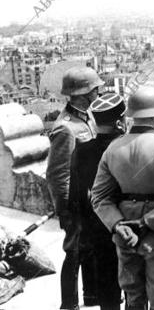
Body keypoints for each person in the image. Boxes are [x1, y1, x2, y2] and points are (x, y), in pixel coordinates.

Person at [71, 93, 154, 310]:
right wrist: (145, 223)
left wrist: (118, 225)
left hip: (125, 235)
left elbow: (99, 197)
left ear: (131, 118)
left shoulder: (113, 149)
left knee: (134, 296)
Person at [46, 66, 104, 310]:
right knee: (74, 253)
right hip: (74, 204)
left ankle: (91, 295)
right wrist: (66, 210)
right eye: (95, 89)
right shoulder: (65, 128)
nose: (99, 92)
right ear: (83, 93)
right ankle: (69, 304)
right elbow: (57, 174)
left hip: (88, 199)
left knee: (89, 249)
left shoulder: (87, 117)